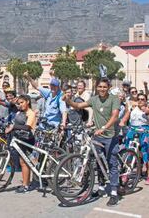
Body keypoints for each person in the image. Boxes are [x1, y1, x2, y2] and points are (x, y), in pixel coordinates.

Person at [63, 78, 120, 206]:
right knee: (98, 162)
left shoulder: (114, 99)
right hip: (98, 136)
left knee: (112, 163)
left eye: (104, 87)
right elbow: (78, 106)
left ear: (109, 87)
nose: (102, 89)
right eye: (100, 86)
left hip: (111, 135)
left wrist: (104, 128)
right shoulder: (94, 99)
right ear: (96, 87)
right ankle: (100, 187)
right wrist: (68, 100)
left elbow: (115, 115)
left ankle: (114, 192)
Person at [4, 95, 36, 193]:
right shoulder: (20, 111)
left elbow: (27, 127)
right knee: (27, 161)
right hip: (19, 138)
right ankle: (28, 181)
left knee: (24, 162)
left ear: (28, 102)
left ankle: (25, 186)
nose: (20, 104)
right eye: (19, 103)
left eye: (22, 102)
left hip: (27, 139)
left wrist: (14, 127)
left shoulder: (30, 113)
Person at [120, 93, 149, 184]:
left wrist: (146, 113)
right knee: (128, 151)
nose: (140, 101)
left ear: (145, 101)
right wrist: (122, 122)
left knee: (145, 152)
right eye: (139, 99)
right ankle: (126, 174)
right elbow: (126, 116)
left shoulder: (147, 109)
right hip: (133, 129)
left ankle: (148, 174)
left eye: (142, 99)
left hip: (144, 131)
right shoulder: (133, 108)